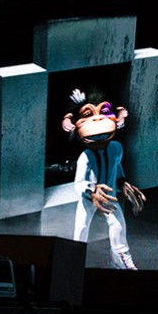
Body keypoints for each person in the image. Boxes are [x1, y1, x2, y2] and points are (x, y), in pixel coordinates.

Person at [62, 86, 146, 270]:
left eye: (104, 111)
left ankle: (121, 259)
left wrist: (123, 183)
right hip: (89, 197)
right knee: (81, 228)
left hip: (108, 196)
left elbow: (117, 168)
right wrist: (92, 192)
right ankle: (74, 264)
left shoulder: (116, 148)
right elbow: (78, 184)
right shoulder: (86, 156)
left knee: (118, 224)